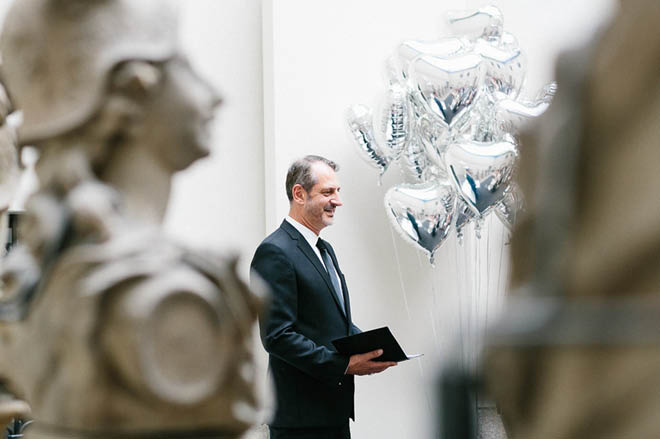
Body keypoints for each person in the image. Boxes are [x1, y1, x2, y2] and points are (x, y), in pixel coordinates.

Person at [0, 0, 262, 436]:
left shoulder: (54, 284)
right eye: (185, 66)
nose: (216, 93)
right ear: (134, 89)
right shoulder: (166, 302)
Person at [251, 155, 397, 439]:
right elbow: (277, 336)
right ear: (299, 194)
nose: (337, 200)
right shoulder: (275, 251)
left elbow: (329, 321)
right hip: (300, 420)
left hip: (334, 411)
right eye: (328, 192)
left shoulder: (325, 249)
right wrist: (343, 365)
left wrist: (371, 345)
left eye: (338, 192)